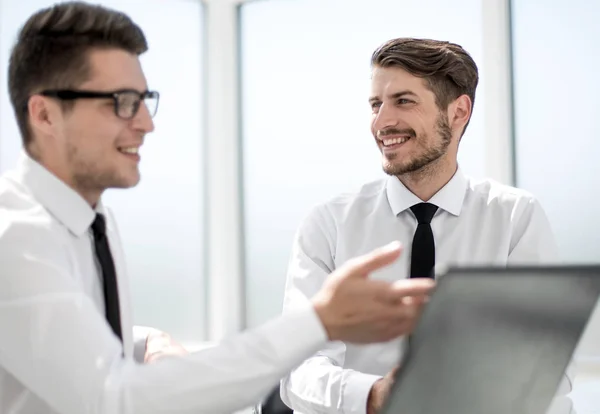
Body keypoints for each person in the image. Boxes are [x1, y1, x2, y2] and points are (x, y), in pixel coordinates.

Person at [0, 3, 437, 414]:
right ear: (45, 115)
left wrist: (143, 341)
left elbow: (55, 332)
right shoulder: (15, 239)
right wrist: (318, 321)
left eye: (143, 99)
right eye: (121, 103)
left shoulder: (92, 222)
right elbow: (121, 399)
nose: (146, 123)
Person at [280, 37, 576, 414]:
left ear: (458, 112)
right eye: (376, 104)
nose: (382, 121)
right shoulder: (329, 225)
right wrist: (372, 396)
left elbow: (544, 370)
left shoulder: (514, 218)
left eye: (403, 101)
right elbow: (297, 368)